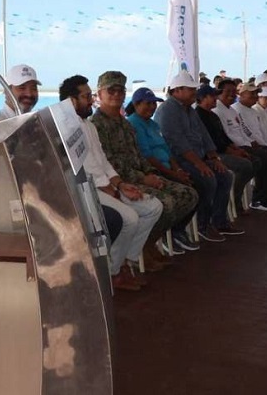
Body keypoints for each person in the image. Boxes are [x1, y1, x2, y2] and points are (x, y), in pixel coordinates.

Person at [59, 75, 164, 290]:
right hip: (86, 189)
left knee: (154, 207)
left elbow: (103, 161)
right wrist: (108, 187)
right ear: (71, 101)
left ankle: (124, 260)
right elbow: (80, 168)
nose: (91, 100)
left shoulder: (88, 125)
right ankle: (115, 272)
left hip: (106, 183)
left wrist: (119, 184)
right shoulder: (65, 127)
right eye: (87, 96)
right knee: (130, 218)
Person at [87, 71, 199, 256]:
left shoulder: (125, 124)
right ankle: (143, 249)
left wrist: (151, 174)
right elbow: (109, 164)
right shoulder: (96, 125)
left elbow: (138, 155)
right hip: (120, 182)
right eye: (111, 90)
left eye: (120, 90)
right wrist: (143, 178)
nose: (116, 94)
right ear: (99, 95)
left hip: (141, 176)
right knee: (167, 203)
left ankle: (151, 240)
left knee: (189, 194)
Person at [154, 70, 241, 241]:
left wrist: (214, 158)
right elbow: (177, 143)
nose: (194, 93)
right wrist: (200, 164)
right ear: (177, 90)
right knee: (207, 180)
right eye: (191, 90)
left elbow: (204, 135)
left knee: (225, 176)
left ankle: (218, 221)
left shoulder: (189, 109)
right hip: (179, 161)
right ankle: (202, 225)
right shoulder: (168, 110)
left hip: (197, 158)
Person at [194, 84, 261, 215]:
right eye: (212, 96)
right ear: (202, 98)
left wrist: (236, 148)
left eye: (216, 95)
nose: (215, 98)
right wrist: (232, 151)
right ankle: (234, 201)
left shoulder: (213, 115)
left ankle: (238, 195)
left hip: (222, 150)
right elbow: (211, 142)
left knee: (256, 161)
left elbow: (223, 137)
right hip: (213, 154)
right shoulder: (199, 116)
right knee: (245, 165)